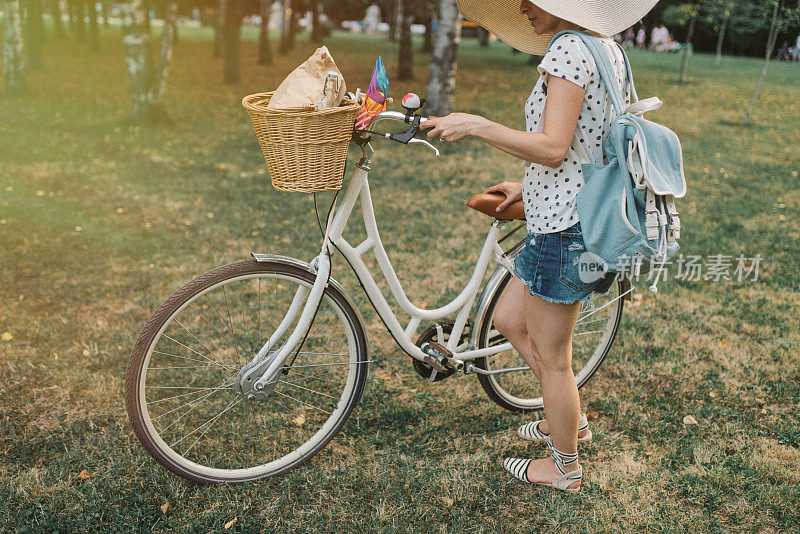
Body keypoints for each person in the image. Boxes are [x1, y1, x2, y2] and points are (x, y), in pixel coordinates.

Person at [422, 0, 657, 492]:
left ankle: (564, 467)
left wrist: (477, 125)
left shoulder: (569, 50)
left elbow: (553, 146)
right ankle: (568, 416)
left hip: (566, 228)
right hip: (560, 216)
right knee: (509, 321)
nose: (522, 7)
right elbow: (586, 145)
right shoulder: (605, 48)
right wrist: (527, 188)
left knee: (555, 360)